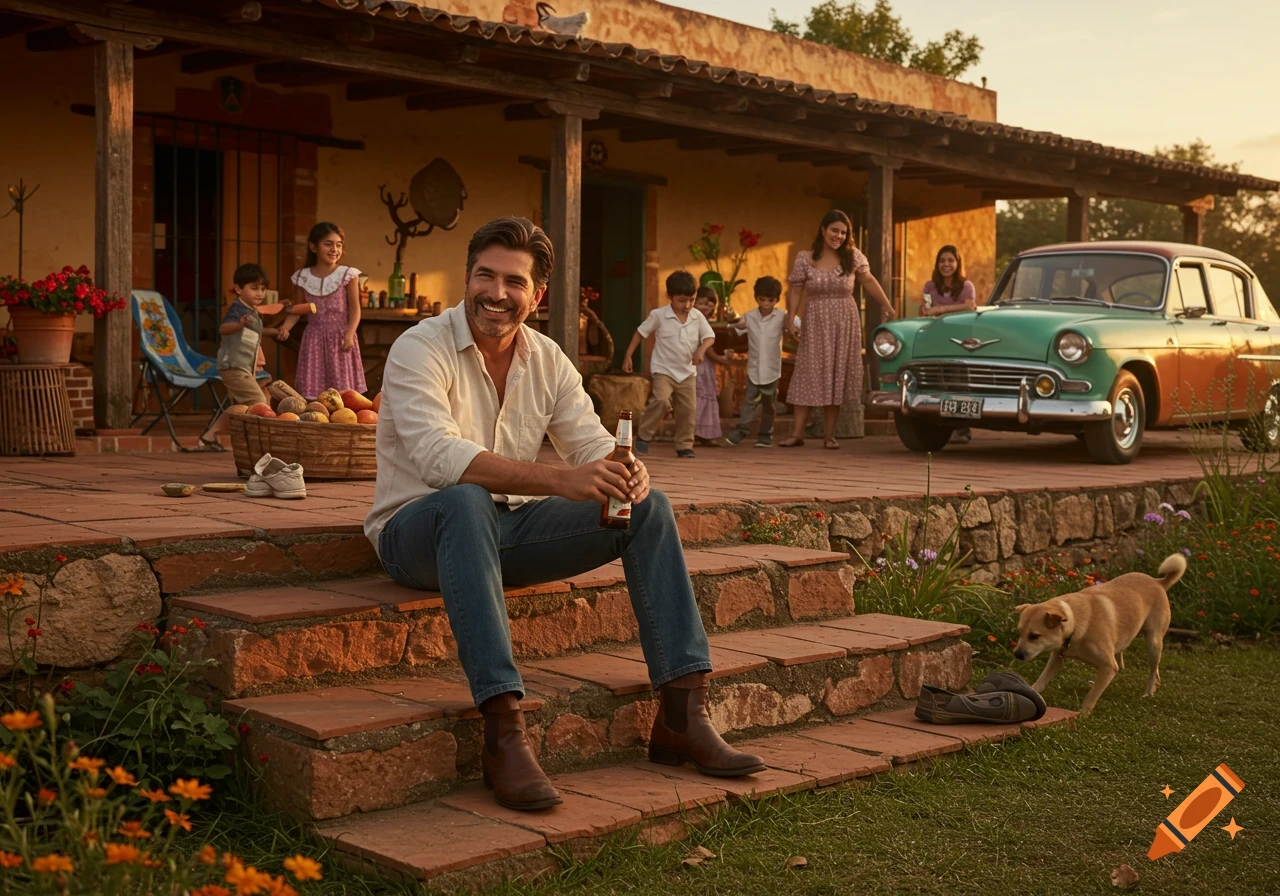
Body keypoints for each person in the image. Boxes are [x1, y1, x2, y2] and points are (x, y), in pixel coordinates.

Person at [366, 217, 764, 812]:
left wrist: (625, 472)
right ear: (467, 276)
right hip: (417, 531)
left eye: (513, 282)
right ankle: (504, 731)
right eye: (485, 275)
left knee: (646, 509)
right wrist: (562, 481)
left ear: (538, 295)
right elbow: (437, 457)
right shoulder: (419, 347)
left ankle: (682, 714)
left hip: (507, 533)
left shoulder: (547, 358)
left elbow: (589, 445)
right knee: (466, 497)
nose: (496, 293)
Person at [781, 210, 896, 450]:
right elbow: (795, 289)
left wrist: (887, 305)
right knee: (808, 372)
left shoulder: (852, 256)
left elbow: (869, 281)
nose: (839, 236)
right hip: (814, 320)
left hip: (844, 321)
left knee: (836, 373)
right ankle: (796, 434)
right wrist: (790, 319)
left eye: (844, 232)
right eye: (834, 230)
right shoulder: (805, 258)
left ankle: (829, 436)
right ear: (823, 230)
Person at [621, 270, 715, 458]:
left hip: (688, 372)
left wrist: (701, 350)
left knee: (688, 410)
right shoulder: (659, 315)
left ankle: (684, 445)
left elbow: (709, 337)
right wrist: (628, 356)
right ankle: (643, 437)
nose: (687, 305)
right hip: (664, 370)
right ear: (669, 296)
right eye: (681, 300)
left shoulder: (697, 316)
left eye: (692, 300)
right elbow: (640, 333)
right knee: (661, 401)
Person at [280, 222, 366, 400]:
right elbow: (298, 310)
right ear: (313, 247)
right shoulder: (302, 277)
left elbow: (355, 310)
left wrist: (350, 333)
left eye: (339, 244)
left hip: (341, 338)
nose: (334, 249)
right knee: (314, 395)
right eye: (328, 243)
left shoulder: (348, 275)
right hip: (314, 339)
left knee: (344, 396)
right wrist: (286, 327)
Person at [199, 263, 279, 449]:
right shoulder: (238, 309)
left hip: (245, 367)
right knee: (258, 403)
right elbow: (223, 328)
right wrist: (239, 324)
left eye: (263, 289)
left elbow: (255, 333)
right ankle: (257, 444)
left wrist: (276, 331)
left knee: (247, 405)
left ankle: (211, 436)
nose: (259, 293)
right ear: (238, 289)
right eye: (254, 288)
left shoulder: (251, 311)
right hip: (234, 365)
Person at [919, 245, 978, 444]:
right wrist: (936, 310)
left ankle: (962, 428)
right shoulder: (930, 286)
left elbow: (969, 307)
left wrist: (941, 309)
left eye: (950, 260)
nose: (946, 265)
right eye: (942, 260)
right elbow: (926, 309)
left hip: (959, 340)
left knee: (958, 382)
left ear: (957, 263)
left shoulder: (966, 286)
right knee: (938, 381)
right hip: (936, 338)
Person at [725, 276, 786, 448]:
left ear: (777, 299)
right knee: (749, 401)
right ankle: (742, 428)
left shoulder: (782, 316)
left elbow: (797, 325)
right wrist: (731, 322)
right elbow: (736, 327)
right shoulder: (750, 316)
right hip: (754, 368)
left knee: (769, 404)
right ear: (756, 298)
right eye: (762, 299)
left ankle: (765, 435)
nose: (766, 303)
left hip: (772, 369)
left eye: (770, 300)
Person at [693, 287, 734, 447]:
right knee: (699, 399)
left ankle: (705, 434)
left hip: (706, 368)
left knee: (706, 398)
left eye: (709, 304)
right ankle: (695, 433)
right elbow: (708, 349)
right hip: (699, 366)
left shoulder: (707, 323)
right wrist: (721, 359)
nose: (705, 307)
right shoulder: (697, 323)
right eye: (701, 303)